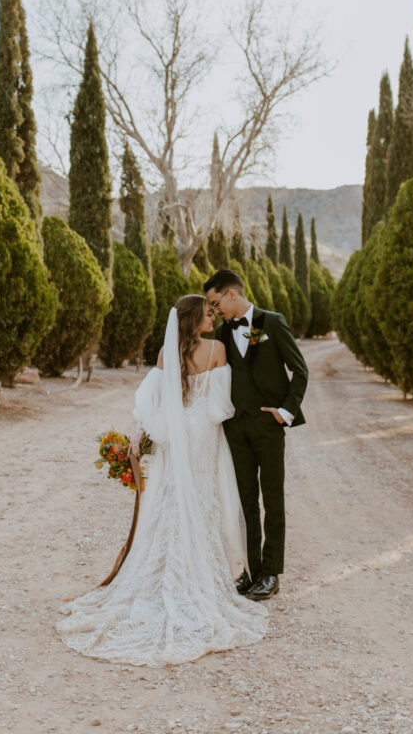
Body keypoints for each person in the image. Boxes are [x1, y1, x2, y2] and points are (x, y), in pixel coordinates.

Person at [56, 294, 268, 666]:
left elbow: (152, 403)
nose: (211, 318)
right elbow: (221, 407)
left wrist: (140, 435)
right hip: (202, 435)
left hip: (175, 437)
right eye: (206, 314)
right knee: (203, 499)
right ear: (194, 321)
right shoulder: (217, 349)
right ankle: (197, 581)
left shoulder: (165, 354)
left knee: (170, 497)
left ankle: (158, 576)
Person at [203, 268, 308, 601]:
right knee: (245, 501)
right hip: (236, 428)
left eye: (215, 302)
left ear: (232, 294)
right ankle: (249, 572)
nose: (214, 309)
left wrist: (285, 411)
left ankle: (271, 573)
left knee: (272, 499)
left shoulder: (271, 322)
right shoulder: (221, 332)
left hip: (268, 426)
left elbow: (300, 370)